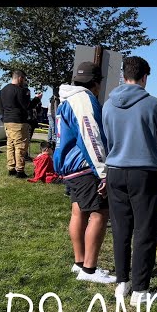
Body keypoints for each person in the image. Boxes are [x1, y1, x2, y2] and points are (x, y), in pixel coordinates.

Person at [102, 56, 157, 305]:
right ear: (145, 77)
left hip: (115, 170)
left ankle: (122, 282)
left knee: (121, 229)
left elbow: (106, 140)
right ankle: (141, 290)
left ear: (124, 75)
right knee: (145, 230)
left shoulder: (108, 105)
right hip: (145, 173)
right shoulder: (154, 104)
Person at [53, 61, 115, 284]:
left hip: (69, 167)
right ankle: (89, 270)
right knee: (100, 213)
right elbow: (91, 136)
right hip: (84, 166)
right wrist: (103, 172)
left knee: (79, 213)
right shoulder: (83, 100)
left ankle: (79, 263)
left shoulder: (66, 99)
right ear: (96, 83)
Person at [0, 70, 31, 178]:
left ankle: (11, 168)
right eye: (24, 79)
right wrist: (36, 99)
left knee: (10, 145)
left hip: (7, 120)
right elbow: (26, 106)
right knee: (20, 146)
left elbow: (0, 106)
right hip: (18, 121)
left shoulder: (3, 90)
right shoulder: (20, 90)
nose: (24, 81)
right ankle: (20, 170)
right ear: (20, 78)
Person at [25, 91, 43, 161]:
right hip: (28, 121)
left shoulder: (34, 102)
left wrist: (39, 103)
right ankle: (25, 154)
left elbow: (38, 112)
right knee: (27, 138)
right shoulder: (27, 103)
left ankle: (26, 154)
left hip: (33, 121)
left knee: (29, 138)